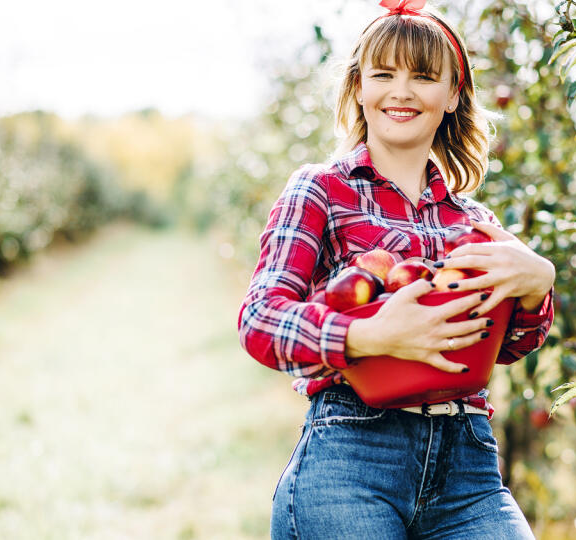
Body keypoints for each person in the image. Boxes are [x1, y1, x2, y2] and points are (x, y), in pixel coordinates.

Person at [237, 1, 555, 537]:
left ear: (453, 95)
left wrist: (535, 288)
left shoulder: (475, 221)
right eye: (383, 74)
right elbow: (261, 320)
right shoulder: (321, 190)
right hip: (354, 457)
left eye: (424, 76)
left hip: (468, 464)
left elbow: (511, 346)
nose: (401, 91)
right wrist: (369, 334)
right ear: (360, 87)